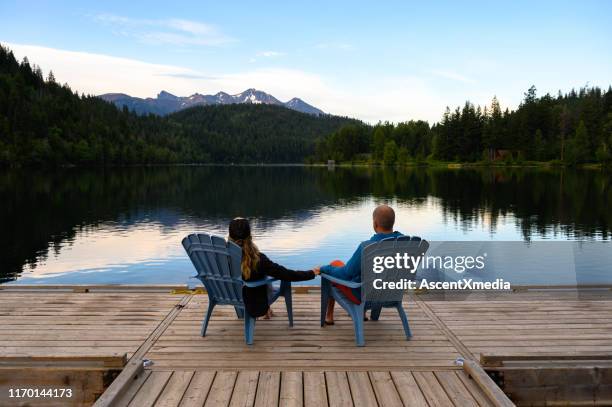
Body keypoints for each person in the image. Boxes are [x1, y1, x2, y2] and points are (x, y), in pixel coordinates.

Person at [315, 205, 403, 325]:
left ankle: (329, 316)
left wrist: (323, 269)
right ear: (393, 223)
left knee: (334, 266)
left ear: (375, 224)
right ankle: (362, 313)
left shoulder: (368, 247)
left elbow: (346, 274)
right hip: (391, 294)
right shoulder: (406, 243)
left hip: (364, 297)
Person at [228, 217, 319, 318]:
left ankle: (267, 310)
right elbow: (286, 274)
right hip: (255, 301)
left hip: (230, 294)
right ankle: (267, 309)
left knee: (259, 276)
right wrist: (311, 273)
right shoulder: (258, 260)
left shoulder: (222, 255)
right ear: (250, 236)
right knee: (267, 276)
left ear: (230, 236)